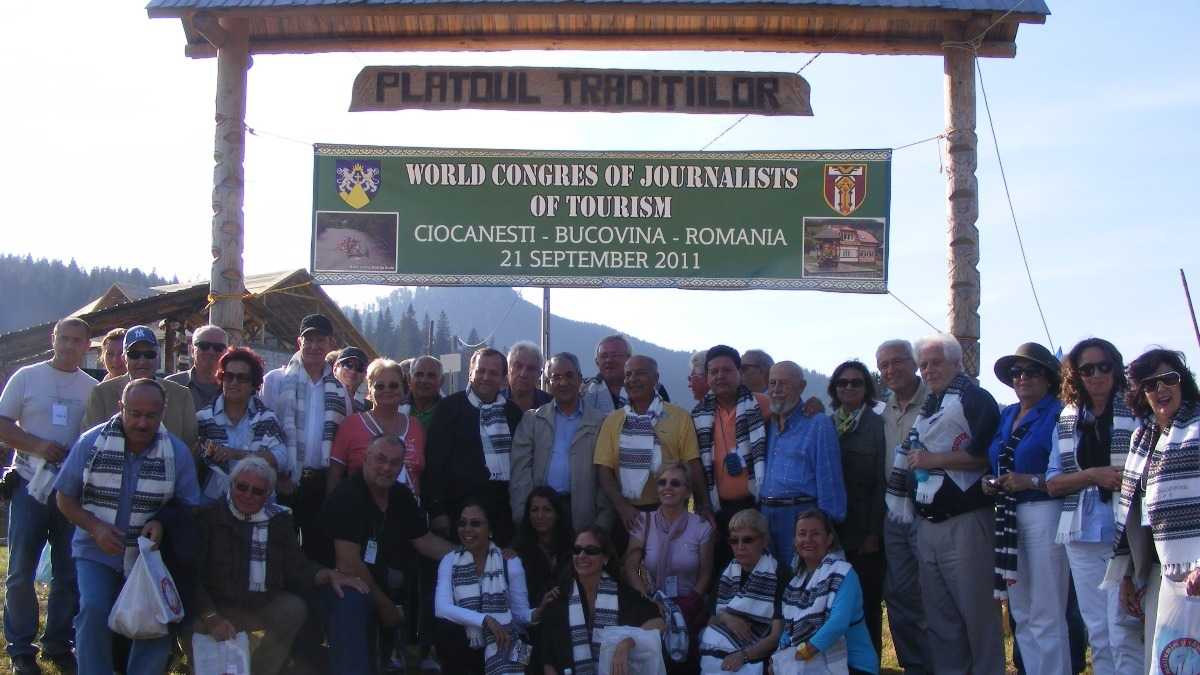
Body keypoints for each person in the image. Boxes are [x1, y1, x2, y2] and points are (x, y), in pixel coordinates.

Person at [54, 378, 201, 675]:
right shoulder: (91, 443)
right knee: (93, 610)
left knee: (154, 619)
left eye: (150, 415)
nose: (142, 423)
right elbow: (64, 497)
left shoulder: (176, 453)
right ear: (121, 408)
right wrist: (94, 526)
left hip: (149, 557)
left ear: (163, 412)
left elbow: (190, 506)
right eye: (134, 413)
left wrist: (162, 522)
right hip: (95, 550)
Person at [884, 333, 1002, 675]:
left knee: (977, 616)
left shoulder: (975, 399)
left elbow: (984, 456)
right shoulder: (933, 405)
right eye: (924, 365)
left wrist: (934, 459)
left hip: (966, 522)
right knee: (940, 620)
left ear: (957, 362)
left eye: (936, 363)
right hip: (927, 524)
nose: (929, 370)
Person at [193, 456, 367, 675]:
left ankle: (259, 670)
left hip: (259, 604)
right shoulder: (208, 518)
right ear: (231, 485)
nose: (247, 495)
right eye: (242, 487)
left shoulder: (279, 521)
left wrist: (328, 574)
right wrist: (211, 617)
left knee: (292, 608)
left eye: (257, 491)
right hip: (215, 606)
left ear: (267, 495)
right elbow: (192, 577)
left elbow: (297, 567)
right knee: (194, 627)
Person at [0, 317, 97, 674]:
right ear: (52, 339)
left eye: (76, 340)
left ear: (88, 345)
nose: (69, 346)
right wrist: (38, 445)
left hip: (71, 490)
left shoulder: (92, 388)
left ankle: (58, 643)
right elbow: (3, 423)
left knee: (68, 571)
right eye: (63, 339)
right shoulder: (26, 377)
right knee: (21, 570)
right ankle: (21, 648)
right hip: (29, 483)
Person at [1045, 338, 1142, 675]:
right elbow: (1053, 482)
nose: (1097, 374)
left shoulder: (1138, 412)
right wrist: (1093, 475)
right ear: (1077, 375)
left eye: (1104, 366)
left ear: (1116, 369)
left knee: (1125, 630)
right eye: (1087, 369)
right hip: (1081, 533)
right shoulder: (1068, 419)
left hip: (1126, 533)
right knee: (1098, 631)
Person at [320, 434, 454, 672]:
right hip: (337, 582)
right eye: (380, 459)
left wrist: (474, 556)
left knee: (438, 574)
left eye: (394, 463)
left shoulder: (400, 495)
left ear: (401, 467)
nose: (386, 468)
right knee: (353, 598)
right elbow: (348, 564)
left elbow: (425, 541)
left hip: (384, 578)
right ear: (365, 458)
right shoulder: (346, 496)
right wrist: (385, 606)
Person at [980, 343, 1069, 675]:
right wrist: (994, 481)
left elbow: (1069, 471)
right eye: (1017, 373)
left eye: (1031, 372)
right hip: (1009, 517)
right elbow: (995, 459)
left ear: (1047, 378)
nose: (1022, 378)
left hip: (1044, 512)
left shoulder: (1059, 413)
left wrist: (1027, 481)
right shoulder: (1007, 415)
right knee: (1021, 612)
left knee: (1047, 611)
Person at [1111, 348, 1200, 674]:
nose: (1161, 388)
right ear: (1140, 394)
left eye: (1169, 379)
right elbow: (1130, 511)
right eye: (1150, 384)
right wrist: (1127, 576)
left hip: (1196, 569)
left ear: (1183, 382)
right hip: (1158, 569)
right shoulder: (1141, 438)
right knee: (1167, 660)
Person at [260, 313, 351, 561]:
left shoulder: (339, 390)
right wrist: (279, 475)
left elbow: (342, 441)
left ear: (330, 344)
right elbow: (263, 432)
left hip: (321, 485)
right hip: (283, 482)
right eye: (308, 339)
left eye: (320, 340)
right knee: (280, 552)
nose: (313, 346)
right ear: (299, 342)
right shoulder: (275, 381)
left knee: (318, 554)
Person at [594, 355, 705, 555]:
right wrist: (622, 507)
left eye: (640, 373)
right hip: (627, 514)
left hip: (671, 511)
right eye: (628, 374)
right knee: (631, 573)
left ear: (656, 379)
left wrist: (704, 505)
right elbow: (603, 468)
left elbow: (693, 464)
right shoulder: (613, 421)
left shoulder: (679, 417)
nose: (633, 379)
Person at [424, 347, 524, 546]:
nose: (486, 377)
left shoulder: (513, 414)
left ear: (504, 379)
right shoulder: (449, 408)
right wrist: (437, 510)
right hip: (456, 515)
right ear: (470, 373)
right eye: (480, 371)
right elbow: (433, 462)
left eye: (493, 373)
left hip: (501, 515)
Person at [874, 339, 932, 674]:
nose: (891, 369)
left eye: (898, 361)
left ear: (914, 363)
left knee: (934, 595)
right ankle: (915, 666)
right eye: (884, 365)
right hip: (894, 512)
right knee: (898, 594)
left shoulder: (937, 400)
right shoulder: (882, 410)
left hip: (931, 511)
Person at [623, 461, 714, 672]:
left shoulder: (701, 527)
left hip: (689, 608)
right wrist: (647, 598)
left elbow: (706, 574)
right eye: (662, 483)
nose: (667, 488)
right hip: (651, 605)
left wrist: (689, 603)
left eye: (675, 483)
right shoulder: (643, 522)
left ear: (687, 491)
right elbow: (631, 566)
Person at [539, 526, 666, 674]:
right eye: (577, 550)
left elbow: (658, 624)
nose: (581, 555)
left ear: (605, 558)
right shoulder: (559, 598)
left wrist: (629, 642)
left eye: (591, 551)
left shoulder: (625, 595)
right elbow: (547, 658)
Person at [509, 352, 611, 532]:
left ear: (580, 379)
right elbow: (520, 472)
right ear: (548, 384)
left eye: (569, 376)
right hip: (540, 515)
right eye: (556, 377)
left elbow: (606, 476)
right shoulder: (532, 420)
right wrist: (523, 515)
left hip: (583, 516)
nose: (563, 382)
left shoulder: (600, 422)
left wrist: (602, 523)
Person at [434, 500, 537, 674]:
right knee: (447, 631)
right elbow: (441, 608)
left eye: (475, 523)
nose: (467, 529)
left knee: (526, 649)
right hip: (467, 645)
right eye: (462, 523)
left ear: (490, 530)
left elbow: (520, 617)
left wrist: (537, 613)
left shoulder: (510, 562)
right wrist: (485, 620)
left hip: (506, 640)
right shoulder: (450, 560)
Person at [691, 344, 771, 572]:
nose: (719, 376)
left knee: (760, 571)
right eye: (713, 371)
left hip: (756, 504)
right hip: (718, 508)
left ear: (739, 373)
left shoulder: (761, 404)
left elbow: (793, 411)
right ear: (707, 377)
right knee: (722, 573)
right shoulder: (698, 415)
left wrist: (812, 405)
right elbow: (694, 463)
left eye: (726, 370)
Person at [827, 359, 886, 661]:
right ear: (834, 389)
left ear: (867, 388)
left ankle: (869, 664)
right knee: (832, 602)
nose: (848, 387)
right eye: (842, 383)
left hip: (865, 531)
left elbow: (881, 482)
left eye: (856, 382)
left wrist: (874, 532)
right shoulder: (825, 424)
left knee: (866, 602)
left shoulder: (879, 425)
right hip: (830, 532)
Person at [759, 360, 845, 567]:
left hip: (801, 517)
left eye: (784, 384)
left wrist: (825, 527)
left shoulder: (818, 423)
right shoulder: (765, 424)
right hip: (765, 517)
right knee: (771, 584)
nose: (776, 390)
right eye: (772, 383)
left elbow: (829, 478)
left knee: (801, 581)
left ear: (802, 387)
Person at [777, 509, 879, 675]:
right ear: (795, 541)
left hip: (852, 666)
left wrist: (800, 656)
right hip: (812, 663)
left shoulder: (844, 573)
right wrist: (779, 657)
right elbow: (788, 629)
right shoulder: (795, 583)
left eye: (815, 534)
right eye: (802, 534)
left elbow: (837, 624)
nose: (808, 540)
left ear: (829, 539)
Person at [698, 509, 787, 672]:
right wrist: (727, 618)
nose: (740, 547)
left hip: (759, 652)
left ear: (764, 541)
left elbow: (776, 636)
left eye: (748, 540)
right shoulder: (727, 572)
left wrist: (743, 656)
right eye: (734, 541)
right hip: (722, 646)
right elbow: (712, 621)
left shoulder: (779, 574)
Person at [83, 325, 198, 451]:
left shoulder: (181, 395)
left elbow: (191, 447)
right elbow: (89, 445)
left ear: (158, 357)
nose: (142, 361)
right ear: (124, 359)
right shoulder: (101, 394)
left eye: (149, 354)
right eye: (134, 355)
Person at [195, 347, 288, 502]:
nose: (234, 382)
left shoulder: (266, 418)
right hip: (214, 504)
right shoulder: (203, 418)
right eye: (229, 376)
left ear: (254, 384)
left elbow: (281, 458)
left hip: (258, 502)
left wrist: (236, 454)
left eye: (242, 378)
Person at [328, 358, 425, 496]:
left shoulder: (416, 427)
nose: (387, 390)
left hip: (408, 512)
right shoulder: (351, 425)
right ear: (370, 389)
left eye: (393, 385)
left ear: (403, 388)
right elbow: (334, 475)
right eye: (380, 386)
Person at [512, 487, 575, 671]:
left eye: (547, 509)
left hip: (563, 626)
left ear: (557, 514)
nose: (540, 515)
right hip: (527, 629)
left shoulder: (574, 546)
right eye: (534, 510)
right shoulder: (516, 551)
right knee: (518, 668)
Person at [581, 334, 670, 415]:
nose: (609, 360)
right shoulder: (583, 388)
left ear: (629, 359)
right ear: (597, 362)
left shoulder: (653, 388)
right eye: (604, 356)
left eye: (615, 355)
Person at [165, 324, 227, 411]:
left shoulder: (235, 387)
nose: (211, 351)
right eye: (204, 346)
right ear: (192, 350)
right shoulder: (170, 385)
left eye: (218, 348)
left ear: (226, 353)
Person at [505, 341, 552, 412]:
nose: (523, 374)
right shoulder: (494, 402)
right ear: (508, 369)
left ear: (540, 374)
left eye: (530, 368)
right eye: (518, 366)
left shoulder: (551, 405)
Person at [409, 355, 445, 430]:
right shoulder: (396, 408)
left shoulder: (452, 412)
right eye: (419, 375)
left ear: (441, 381)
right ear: (409, 379)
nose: (424, 380)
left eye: (431, 376)